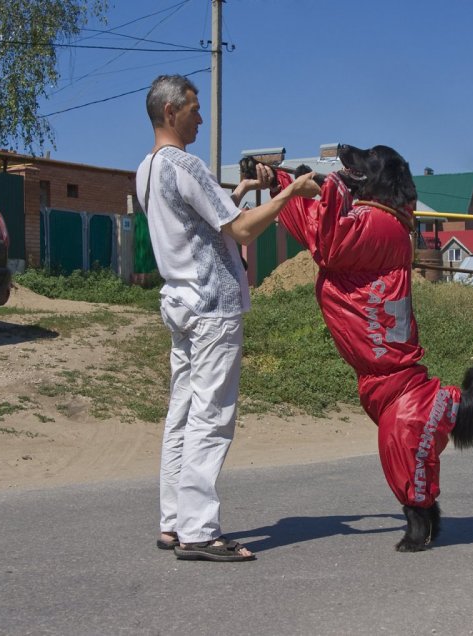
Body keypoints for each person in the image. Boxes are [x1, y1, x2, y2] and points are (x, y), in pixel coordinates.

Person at [135, 74, 320, 562]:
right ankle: (199, 531)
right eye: (195, 108)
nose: (201, 117)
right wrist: (290, 193)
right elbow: (240, 231)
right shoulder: (188, 164)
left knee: (181, 412)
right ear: (171, 111)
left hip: (180, 303)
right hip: (212, 306)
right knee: (211, 418)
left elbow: (202, 227)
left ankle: (173, 522)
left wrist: (242, 187)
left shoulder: (147, 169)